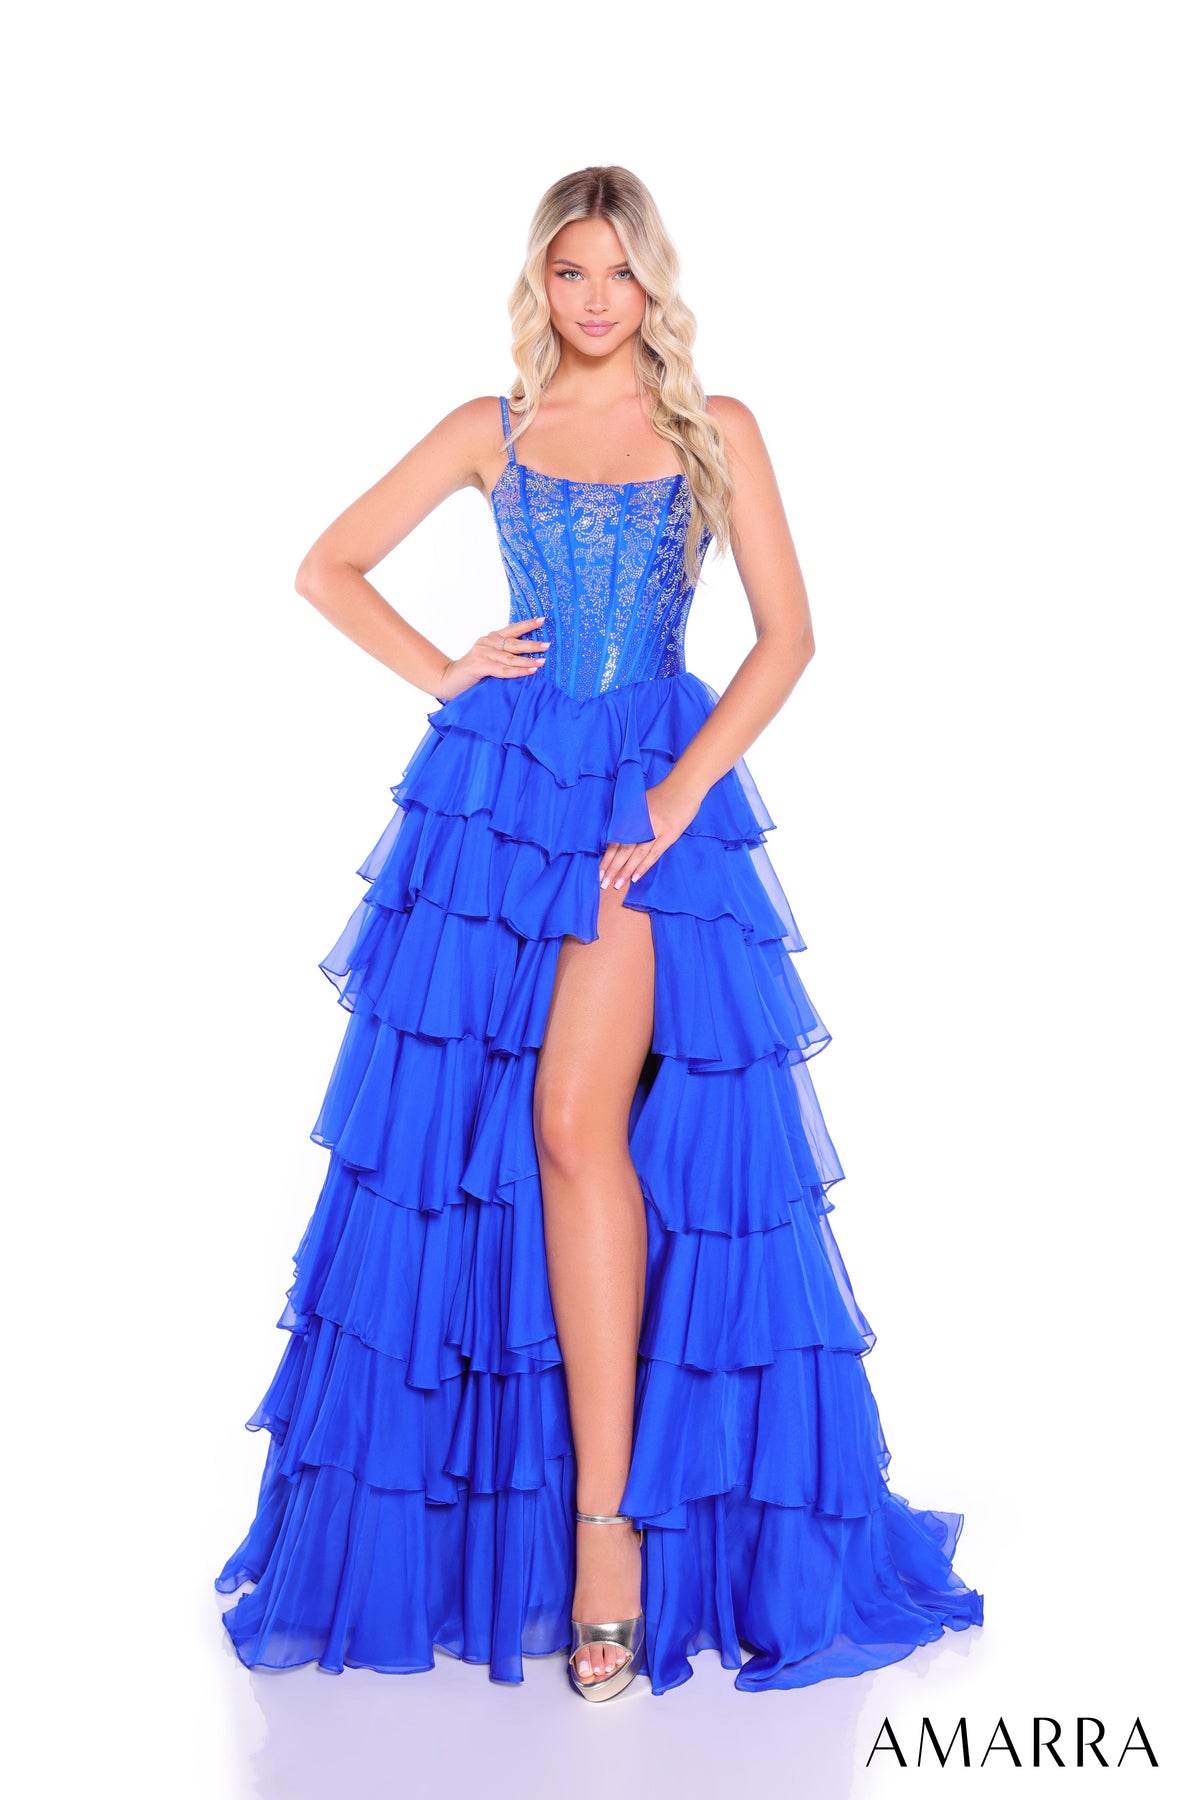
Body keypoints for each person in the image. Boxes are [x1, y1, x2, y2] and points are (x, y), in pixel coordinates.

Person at [214, 164, 984, 1703]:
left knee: (577, 1122)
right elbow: (323, 567)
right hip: (500, 804)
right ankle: (533, 1517)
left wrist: (679, 798)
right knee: (474, 1144)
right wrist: (446, 670)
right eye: (566, 271)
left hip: (643, 803)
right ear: (541, 282)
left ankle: (610, 1534)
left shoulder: (713, 427)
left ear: (650, 285)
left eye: (615, 272)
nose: (589, 298)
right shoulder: (489, 428)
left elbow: (787, 638)